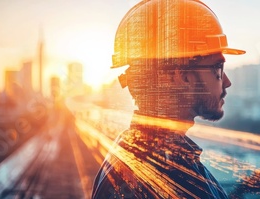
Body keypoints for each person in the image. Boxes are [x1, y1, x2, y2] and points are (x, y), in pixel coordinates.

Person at [92, 0, 245, 198]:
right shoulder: (149, 178)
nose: (226, 82)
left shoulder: (162, 159)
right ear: (182, 77)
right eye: (217, 68)